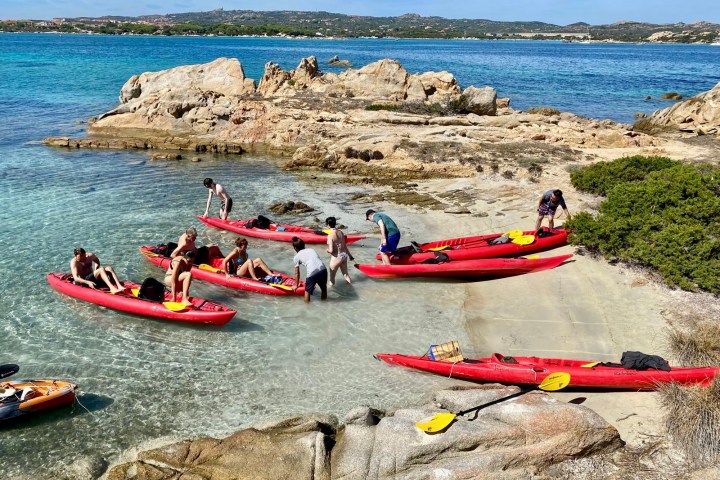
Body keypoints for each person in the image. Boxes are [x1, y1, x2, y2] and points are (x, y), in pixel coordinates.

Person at [291, 237, 328, 303]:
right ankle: (324, 305)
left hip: (312, 273)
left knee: (307, 292)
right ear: (304, 245)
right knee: (324, 290)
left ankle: (307, 308)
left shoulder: (296, 257)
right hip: (323, 269)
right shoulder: (311, 250)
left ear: (295, 248)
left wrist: (296, 285)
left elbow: (297, 273)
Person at [325, 216, 354, 286]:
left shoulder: (330, 235)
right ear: (335, 223)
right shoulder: (341, 232)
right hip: (344, 255)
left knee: (331, 279)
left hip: (336, 257)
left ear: (328, 225)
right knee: (346, 275)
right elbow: (344, 245)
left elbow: (331, 250)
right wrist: (350, 256)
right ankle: (352, 288)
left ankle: (331, 294)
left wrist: (327, 250)